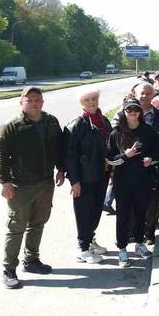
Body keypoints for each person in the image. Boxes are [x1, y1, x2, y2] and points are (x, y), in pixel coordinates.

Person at [0, 87, 65, 288]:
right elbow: (2, 154)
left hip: (45, 183)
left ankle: (31, 260)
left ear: (42, 102)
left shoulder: (51, 121)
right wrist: (5, 181)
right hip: (21, 186)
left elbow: (59, 147)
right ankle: (9, 268)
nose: (34, 103)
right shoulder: (12, 126)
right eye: (30, 99)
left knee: (38, 223)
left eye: (38, 99)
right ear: (22, 102)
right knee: (16, 227)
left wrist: (61, 169)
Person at [112, 82, 159, 244]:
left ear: (153, 96)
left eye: (147, 93)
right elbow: (112, 147)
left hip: (149, 169)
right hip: (124, 170)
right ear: (134, 95)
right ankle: (129, 235)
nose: (144, 96)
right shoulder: (120, 119)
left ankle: (148, 234)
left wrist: (157, 161)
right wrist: (123, 157)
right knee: (126, 207)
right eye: (141, 93)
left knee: (150, 203)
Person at [107, 99, 159, 267]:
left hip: (143, 179)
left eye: (136, 110)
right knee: (122, 215)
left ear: (140, 112)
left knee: (141, 213)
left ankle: (139, 243)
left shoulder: (149, 131)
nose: (133, 113)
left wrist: (151, 160)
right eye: (129, 110)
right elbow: (109, 160)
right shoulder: (116, 133)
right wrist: (125, 156)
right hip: (122, 182)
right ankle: (122, 249)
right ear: (124, 112)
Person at [64, 87, 111, 264]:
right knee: (84, 212)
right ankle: (82, 248)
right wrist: (74, 181)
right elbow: (70, 156)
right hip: (84, 177)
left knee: (97, 209)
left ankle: (90, 240)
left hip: (102, 174)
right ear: (81, 104)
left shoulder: (103, 121)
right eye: (87, 100)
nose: (91, 103)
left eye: (94, 99)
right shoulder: (76, 125)